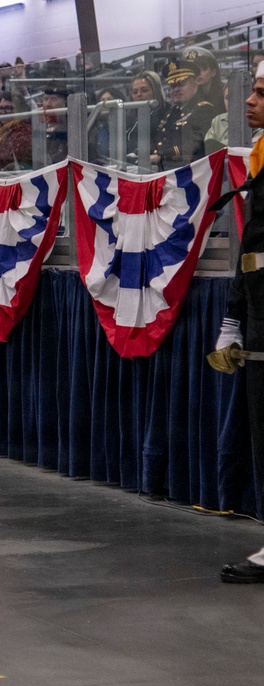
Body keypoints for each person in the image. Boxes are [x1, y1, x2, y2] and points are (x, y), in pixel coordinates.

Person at [210, 63, 264, 585]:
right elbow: (252, 249)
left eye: (262, 93)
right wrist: (234, 316)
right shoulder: (262, 156)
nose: (249, 101)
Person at [153, 60, 216, 169]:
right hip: (167, 168)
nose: (176, 89)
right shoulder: (171, 112)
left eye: (181, 84)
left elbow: (193, 146)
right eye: (172, 86)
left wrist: (160, 155)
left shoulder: (204, 110)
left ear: (195, 85)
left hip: (191, 169)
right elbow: (159, 139)